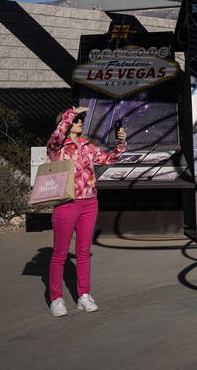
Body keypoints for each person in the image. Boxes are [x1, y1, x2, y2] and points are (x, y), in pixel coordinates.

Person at [45, 106, 126, 316]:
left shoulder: (86, 145)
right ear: (66, 123)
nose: (80, 122)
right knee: (60, 254)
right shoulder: (58, 146)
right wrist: (70, 114)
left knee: (83, 252)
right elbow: (57, 134)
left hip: (90, 203)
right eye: (77, 119)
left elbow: (109, 160)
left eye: (81, 119)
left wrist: (121, 144)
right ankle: (56, 299)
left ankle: (84, 296)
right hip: (66, 203)